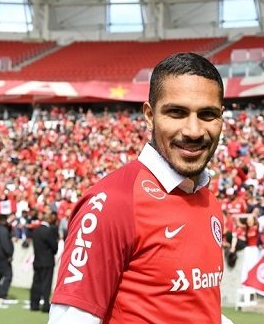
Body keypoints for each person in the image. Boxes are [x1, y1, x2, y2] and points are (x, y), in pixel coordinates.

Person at [48, 53, 226, 324]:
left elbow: (193, 308)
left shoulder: (207, 200)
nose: (193, 130)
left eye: (207, 114)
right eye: (176, 112)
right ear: (149, 115)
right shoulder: (112, 202)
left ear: (221, 117)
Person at [30, 212, 59, 312]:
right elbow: (54, 247)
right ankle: (45, 305)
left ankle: (34, 304)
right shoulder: (48, 231)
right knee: (46, 284)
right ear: (49, 219)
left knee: (36, 283)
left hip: (37, 260)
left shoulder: (36, 230)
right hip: (47, 261)